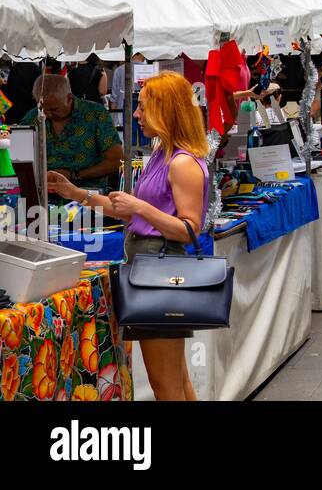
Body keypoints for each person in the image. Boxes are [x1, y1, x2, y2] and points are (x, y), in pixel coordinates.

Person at [47, 72, 209, 400]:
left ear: (166, 111)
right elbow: (125, 209)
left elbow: (189, 229)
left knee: (166, 384)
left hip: (160, 273)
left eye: (143, 107)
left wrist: (141, 208)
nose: (135, 114)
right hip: (153, 269)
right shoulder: (163, 156)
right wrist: (76, 193)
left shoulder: (181, 163)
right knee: (177, 379)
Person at [23, 73, 125, 193]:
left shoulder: (96, 114)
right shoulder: (32, 118)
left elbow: (116, 160)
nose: (47, 114)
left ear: (69, 98)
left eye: (54, 109)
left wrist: (75, 175)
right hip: (43, 195)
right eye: (42, 109)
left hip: (88, 196)